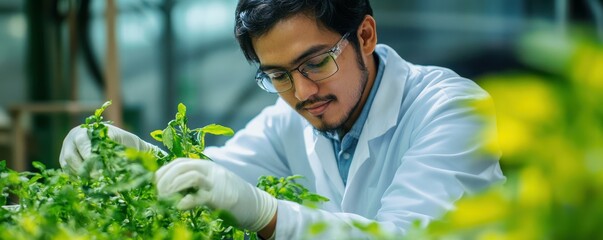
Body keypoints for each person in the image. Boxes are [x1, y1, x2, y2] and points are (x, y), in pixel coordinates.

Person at [60, 0, 505, 239]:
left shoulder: (451, 109)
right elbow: (212, 178)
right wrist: (134, 159)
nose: (302, 92)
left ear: (365, 35)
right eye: (277, 75)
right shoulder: (289, 120)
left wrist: (268, 214)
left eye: (316, 62)